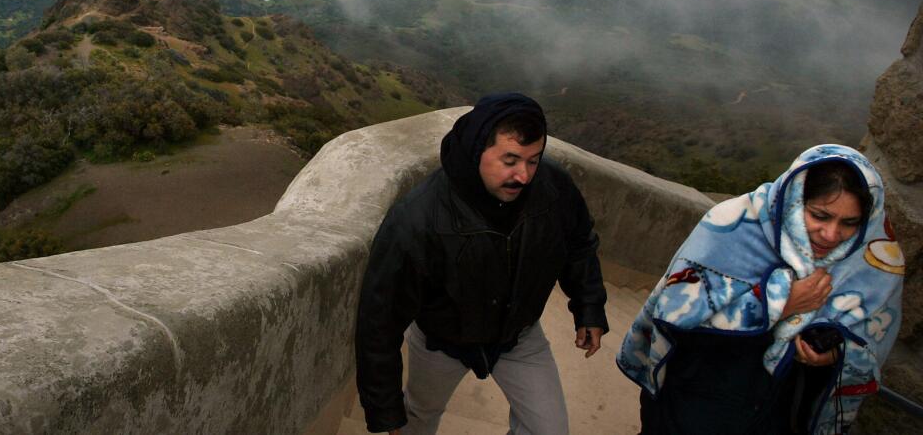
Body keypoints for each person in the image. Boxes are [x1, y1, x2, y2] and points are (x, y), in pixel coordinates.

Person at [355, 93, 608, 434]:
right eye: (510, 160)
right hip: (441, 343)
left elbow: (578, 243)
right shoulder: (418, 219)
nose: (524, 176)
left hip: (519, 337)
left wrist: (589, 306)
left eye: (533, 161)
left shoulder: (553, 188)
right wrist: (386, 411)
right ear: (477, 151)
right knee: (418, 420)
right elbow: (379, 321)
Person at [617, 144, 904, 434]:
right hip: (692, 405)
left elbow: (871, 345)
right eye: (820, 215)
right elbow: (675, 318)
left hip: (777, 415)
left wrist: (835, 356)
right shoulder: (733, 226)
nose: (831, 234)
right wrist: (780, 303)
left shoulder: (872, 265)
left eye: (850, 222)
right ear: (793, 201)